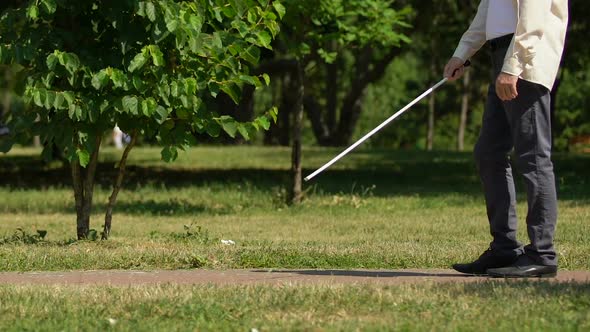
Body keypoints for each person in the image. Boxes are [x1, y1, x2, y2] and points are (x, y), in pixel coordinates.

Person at [444, 0, 568, 278]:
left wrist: (513, 66)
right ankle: (504, 247)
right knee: (489, 153)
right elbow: (488, 12)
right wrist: (462, 53)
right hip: (502, 58)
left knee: (533, 156)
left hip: (523, 62)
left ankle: (542, 253)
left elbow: (534, 16)